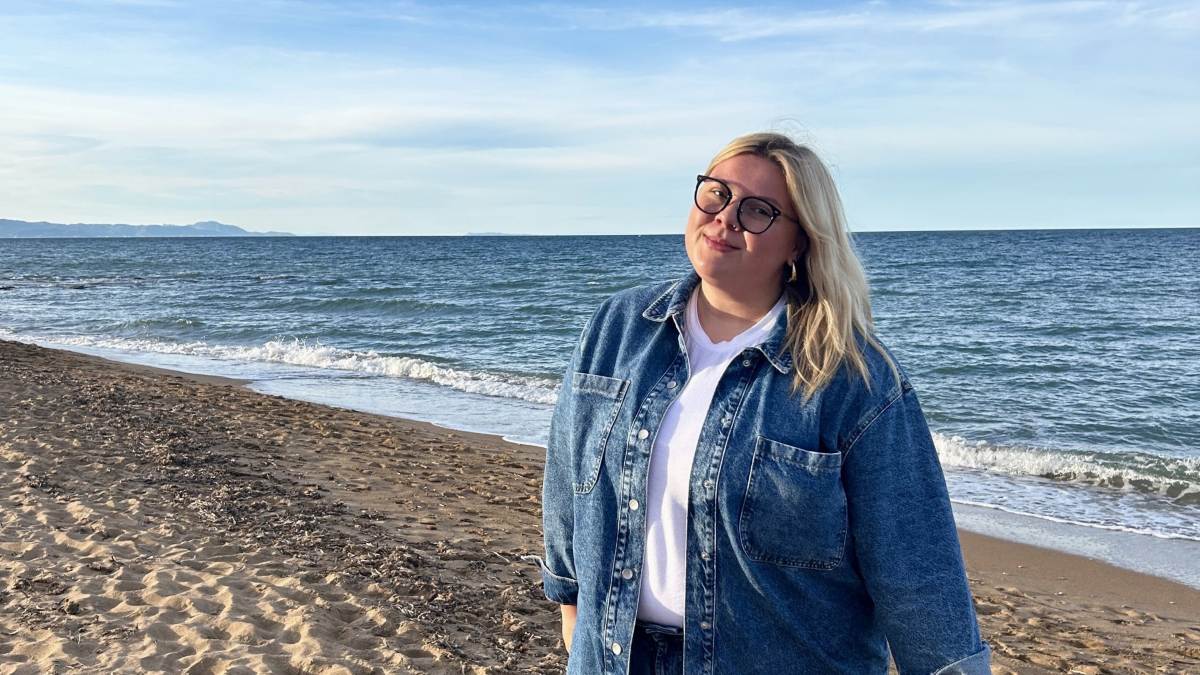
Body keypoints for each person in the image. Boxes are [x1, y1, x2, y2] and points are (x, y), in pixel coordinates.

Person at [532, 132, 991, 674]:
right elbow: (567, 475)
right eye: (717, 194)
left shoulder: (850, 375)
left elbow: (915, 563)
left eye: (757, 211)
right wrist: (569, 597)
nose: (725, 218)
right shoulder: (619, 328)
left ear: (799, 242)